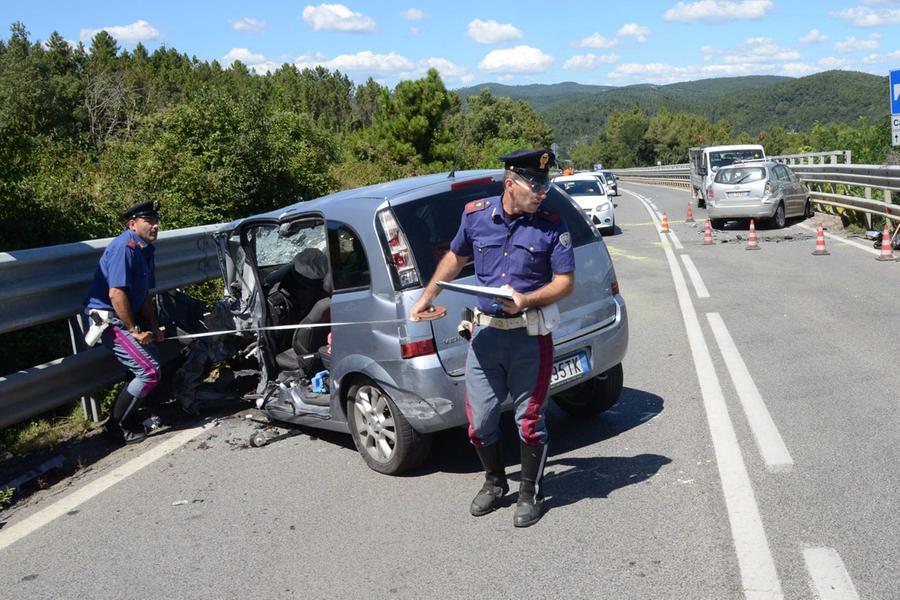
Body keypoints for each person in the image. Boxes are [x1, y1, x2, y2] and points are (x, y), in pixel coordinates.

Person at [410, 149, 575, 527]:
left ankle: (531, 491)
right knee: (480, 420)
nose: (542, 192)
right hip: (484, 336)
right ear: (510, 183)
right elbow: (455, 257)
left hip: (529, 338)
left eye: (545, 184)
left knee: (529, 421)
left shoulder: (552, 223)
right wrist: (426, 298)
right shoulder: (476, 215)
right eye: (535, 185)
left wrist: (527, 300)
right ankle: (495, 482)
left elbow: (565, 283)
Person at [84, 199, 164, 444]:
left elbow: (144, 293)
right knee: (149, 371)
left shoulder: (145, 248)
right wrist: (134, 331)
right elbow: (115, 294)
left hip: (127, 317)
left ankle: (129, 416)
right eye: (148, 221)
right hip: (110, 321)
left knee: (148, 364)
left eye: (156, 221)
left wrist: (152, 325)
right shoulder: (124, 249)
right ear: (132, 224)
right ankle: (116, 428)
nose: (155, 226)